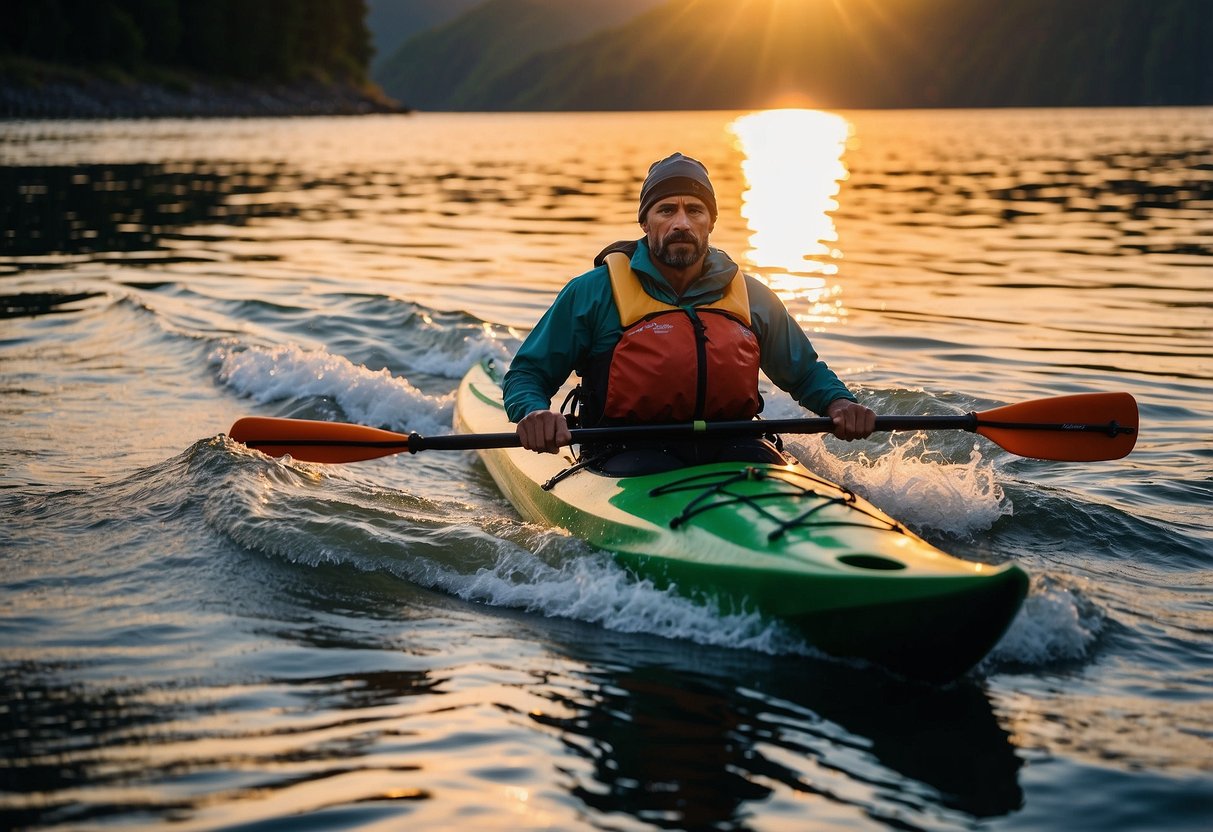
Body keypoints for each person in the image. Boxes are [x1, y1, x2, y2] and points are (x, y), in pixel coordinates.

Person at [502, 152, 875, 470]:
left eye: (694, 210)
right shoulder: (593, 292)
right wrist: (534, 413)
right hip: (625, 453)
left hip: (735, 447)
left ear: (710, 222)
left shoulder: (752, 296)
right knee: (650, 462)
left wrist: (840, 403)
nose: (682, 222)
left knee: (765, 459)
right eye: (667, 210)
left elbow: (805, 373)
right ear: (645, 223)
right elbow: (527, 375)